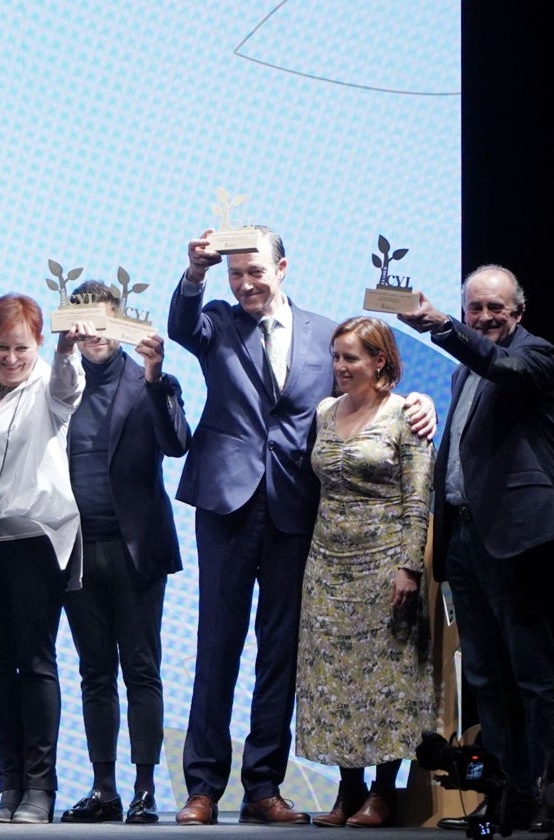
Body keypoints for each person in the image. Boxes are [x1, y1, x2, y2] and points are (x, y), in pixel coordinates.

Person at [167, 227, 435, 826]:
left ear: (282, 267)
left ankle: (264, 786)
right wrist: (193, 273)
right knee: (217, 647)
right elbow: (182, 326)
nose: (245, 283)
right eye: (236, 274)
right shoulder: (216, 318)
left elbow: (366, 390)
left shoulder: (324, 332)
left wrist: (423, 402)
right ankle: (203, 787)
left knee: (281, 651)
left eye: (254, 271)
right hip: (226, 500)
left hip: (296, 505)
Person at [399, 265, 554, 834]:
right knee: (485, 676)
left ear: (518, 312)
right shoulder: (466, 373)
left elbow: (503, 366)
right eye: (475, 310)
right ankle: (509, 793)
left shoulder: (534, 355)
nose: (485, 318)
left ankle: (543, 792)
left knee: (534, 675)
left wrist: (441, 326)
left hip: (517, 538)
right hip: (464, 538)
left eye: (496, 309)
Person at [58, 281, 191, 826]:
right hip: (76, 549)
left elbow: (177, 443)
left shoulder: (149, 382)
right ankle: (104, 787)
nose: (94, 334)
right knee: (93, 672)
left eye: (103, 322)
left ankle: (143, 790)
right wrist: (60, 352)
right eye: (84, 324)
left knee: (141, 668)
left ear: (121, 323)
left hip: (136, 550)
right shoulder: (56, 386)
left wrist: (158, 377)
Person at [294, 317, 434, 828]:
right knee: (335, 678)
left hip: (384, 562)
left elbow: (417, 499)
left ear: (380, 360)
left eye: (351, 358)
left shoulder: (407, 416)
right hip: (328, 562)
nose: (340, 367)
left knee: (386, 679)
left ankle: (382, 792)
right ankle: (347, 790)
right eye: (336, 357)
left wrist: (408, 567)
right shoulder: (326, 411)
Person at [0, 293, 83, 825]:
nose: (10, 358)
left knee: (34, 660)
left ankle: (41, 788)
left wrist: (65, 352)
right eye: (0, 348)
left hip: (38, 538)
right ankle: (9, 783)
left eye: (21, 347)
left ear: (37, 343)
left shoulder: (50, 385)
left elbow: (68, 386)